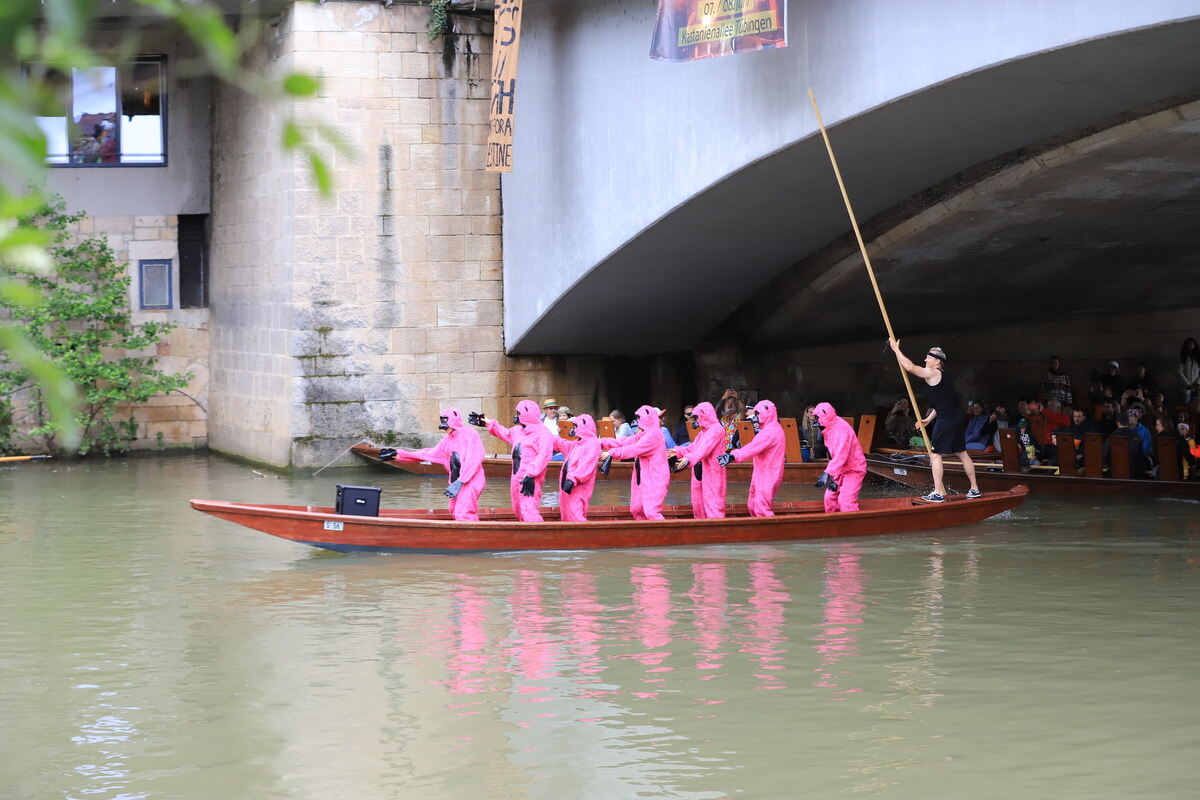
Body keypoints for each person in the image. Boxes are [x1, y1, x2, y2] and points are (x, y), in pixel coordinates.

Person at [889, 340, 982, 502]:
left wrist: (896, 350)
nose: (925, 360)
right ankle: (974, 489)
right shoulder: (944, 377)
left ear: (937, 361)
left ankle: (938, 493)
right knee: (961, 452)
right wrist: (927, 419)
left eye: (928, 357)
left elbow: (910, 367)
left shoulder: (933, 373)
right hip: (954, 415)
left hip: (948, 419)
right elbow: (942, 403)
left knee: (935, 454)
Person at [378, 407, 486, 521]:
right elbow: (427, 454)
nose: (445, 429)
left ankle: (472, 535)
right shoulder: (447, 441)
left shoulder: (470, 434)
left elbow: (474, 459)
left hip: (471, 481)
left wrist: (461, 481)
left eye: (447, 424)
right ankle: (462, 534)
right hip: (456, 482)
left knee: (463, 512)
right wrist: (398, 455)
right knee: (453, 509)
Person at [478, 399, 557, 522]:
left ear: (527, 414)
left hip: (530, 478)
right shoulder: (517, 430)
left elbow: (544, 455)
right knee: (517, 509)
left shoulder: (543, 432)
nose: (517, 416)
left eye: (519, 413)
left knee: (528, 508)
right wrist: (489, 423)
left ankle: (537, 535)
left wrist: (531, 474)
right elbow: (505, 434)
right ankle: (525, 535)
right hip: (516, 477)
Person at [599, 405, 670, 521]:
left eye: (640, 418)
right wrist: (602, 442)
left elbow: (634, 449)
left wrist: (611, 453)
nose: (638, 421)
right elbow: (626, 441)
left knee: (651, 511)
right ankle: (644, 536)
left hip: (655, 479)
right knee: (636, 509)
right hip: (641, 478)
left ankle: (664, 536)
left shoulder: (655, 435)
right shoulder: (644, 434)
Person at [719, 399, 786, 516]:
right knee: (753, 504)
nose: (755, 417)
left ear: (766, 413)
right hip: (761, 472)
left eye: (758, 414)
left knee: (761, 507)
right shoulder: (768, 429)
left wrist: (733, 455)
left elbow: (753, 448)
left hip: (769, 474)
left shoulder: (771, 431)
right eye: (755, 414)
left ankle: (768, 530)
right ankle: (757, 528)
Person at [672, 402, 727, 518]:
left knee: (713, 505)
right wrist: (676, 451)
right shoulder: (703, 432)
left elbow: (703, 450)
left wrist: (687, 459)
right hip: (699, 470)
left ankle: (717, 531)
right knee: (698, 505)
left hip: (712, 473)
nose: (696, 420)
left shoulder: (717, 430)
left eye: (697, 417)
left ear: (703, 415)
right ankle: (700, 528)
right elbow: (693, 447)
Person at [811, 402, 867, 513]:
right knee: (829, 498)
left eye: (817, 418)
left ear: (824, 415)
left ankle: (853, 526)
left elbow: (841, 455)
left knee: (845, 501)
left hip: (853, 470)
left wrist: (827, 473)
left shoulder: (841, 430)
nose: (816, 421)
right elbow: (832, 455)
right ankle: (833, 523)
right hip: (839, 470)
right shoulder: (829, 427)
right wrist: (832, 475)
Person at [554, 414, 601, 521]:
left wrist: (572, 479)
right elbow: (563, 444)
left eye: (575, 427)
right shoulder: (578, 443)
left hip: (577, 488)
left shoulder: (592, 444)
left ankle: (584, 536)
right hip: (567, 488)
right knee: (567, 515)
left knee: (576, 515)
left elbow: (586, 466)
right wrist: (549, 436)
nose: (574, 430)